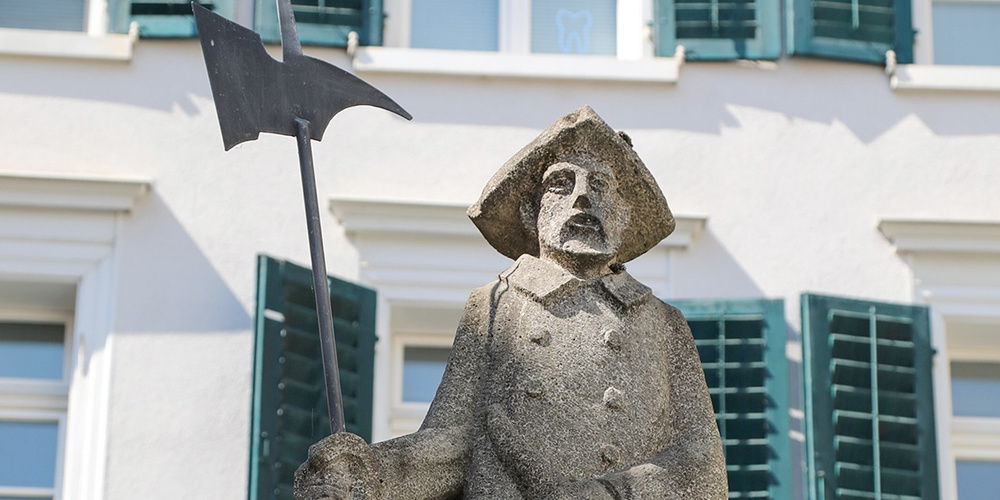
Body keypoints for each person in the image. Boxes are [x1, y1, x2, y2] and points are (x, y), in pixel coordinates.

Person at [295, 106, 727, 500]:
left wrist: (611, 493)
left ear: (625, 215)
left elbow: (703, 464)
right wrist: (370, 474)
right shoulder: (494, 306)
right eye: (561, 184)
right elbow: (453, 441)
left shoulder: (663, 323)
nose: (582, 198)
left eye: (600, 185)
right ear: (530, 213)